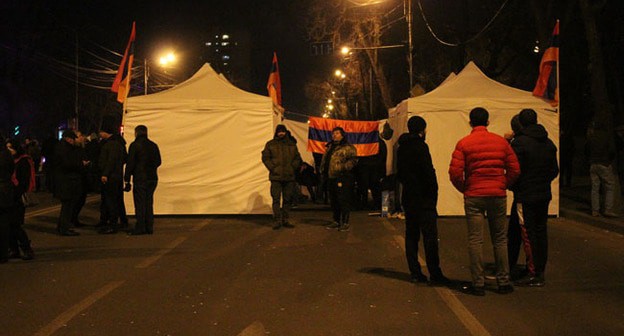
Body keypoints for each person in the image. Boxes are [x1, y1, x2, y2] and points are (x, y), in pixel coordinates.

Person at [449, 107, 520, 296]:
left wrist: (466, 187)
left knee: (475, 240)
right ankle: (503, 281)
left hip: (474, 195)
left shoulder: (464, 143)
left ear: (470, 122)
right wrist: (503, 183)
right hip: (497, 195)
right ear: (488, 121)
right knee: (500, 239)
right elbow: (514, 168)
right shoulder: (501, 143)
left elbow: (455, 173)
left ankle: (478, 283)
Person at [397, 116, 449, 285]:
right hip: (424, 198)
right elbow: (428, 172)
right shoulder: (421, 147)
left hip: (409, 197)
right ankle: (435, 273)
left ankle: (415, 272)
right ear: (422, 129)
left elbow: (401, 173)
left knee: (411, 235)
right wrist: (433, 194)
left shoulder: (401, 147)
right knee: (430, 237)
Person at [510, 109, 559, 287]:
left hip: (526, 195)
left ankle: (534, 272)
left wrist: (515, 186)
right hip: (543, 194)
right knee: (540, 231)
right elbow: (554, 170)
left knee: (528, 233)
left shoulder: (519, 143)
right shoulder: (548, 142)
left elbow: (514, 170)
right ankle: (539, 268)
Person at [261, 124, 302, 230]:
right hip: (276, 177)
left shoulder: (292, 144)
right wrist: (273, 168)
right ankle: (277, 220)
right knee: (276, 199)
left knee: (287, 199)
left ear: (285, 132)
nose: (281, 133)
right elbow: (265, 157)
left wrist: (293, 167)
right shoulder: (270, 144)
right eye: (279, 131)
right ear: (276, 132)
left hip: (289, 176)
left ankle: (285, 219)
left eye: (283, 131)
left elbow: (297, 158)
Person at [124, 125, 162, 235]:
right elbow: (159, 161)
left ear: (136, 133)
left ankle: (140, 227)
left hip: (140, 178)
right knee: (149, 202)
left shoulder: (135, 145)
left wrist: (127, 179)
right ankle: (149, 226)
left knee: (140, 203)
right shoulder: (153, 145)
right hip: (152, 178)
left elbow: (130, 163)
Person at [321, 127, 358, 231]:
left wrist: (344, 167)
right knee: (334, 200)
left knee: (343, 200)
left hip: (343, 177)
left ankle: (345, 222)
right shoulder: (330, 147)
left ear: (342, 135)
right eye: (333, 133)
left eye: (337, 133)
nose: (334, 135)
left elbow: (354, 159)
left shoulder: (348, 147)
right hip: (331, 177)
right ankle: (336, 221)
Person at [6, 140, 36, 260]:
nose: (9, 150)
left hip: (17, 198)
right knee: (9, 225)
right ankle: (14, 249)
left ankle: (27, 249)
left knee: (15, 225)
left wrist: (15, 193)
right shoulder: (10, 161)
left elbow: (24, 182)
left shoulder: (23, 161)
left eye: (10, 148)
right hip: (9, 196)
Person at [98, 121, 127, 234]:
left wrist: (105, 173)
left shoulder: (111, 144)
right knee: (118, 200)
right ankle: (122, 221)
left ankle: (112, 224)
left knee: (110, 201)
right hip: (117, 176)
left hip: (111, 177)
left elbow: (110, 160)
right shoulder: (119, 143)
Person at [53, 130, 84, 236]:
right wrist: (80, 164)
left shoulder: (63, 147)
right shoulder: (64, 149)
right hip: (66, 181)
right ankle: (64, 228)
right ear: (68, 138)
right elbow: (67, 163)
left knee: (67, 206)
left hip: (66, 180)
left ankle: (63, 226)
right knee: (67, 206)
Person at [586, 123, 619, 217]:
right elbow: (612, 150)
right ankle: (608, 209)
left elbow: (586, 150)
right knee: (610, 186)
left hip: (593, 163)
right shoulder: (607, 136)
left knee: (595, 188)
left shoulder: (591, 137)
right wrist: (609, 160)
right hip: (604, 163)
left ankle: (595, 210)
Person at [1, 134, 16, 263]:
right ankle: (4, 252)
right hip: (6, 190)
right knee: (4, 223)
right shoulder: (6, 154)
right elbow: (11, 170)